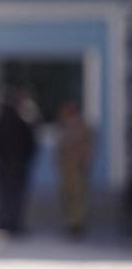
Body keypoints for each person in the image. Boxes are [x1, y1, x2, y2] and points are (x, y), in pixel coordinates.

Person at [0, 87, 38, 235]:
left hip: (3, 164)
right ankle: (14, 224)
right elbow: (32, 144)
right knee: (16, 196)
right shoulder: (23, 121)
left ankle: (5, 223)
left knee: (4, 194)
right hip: (18, 166)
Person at [56, 102, 94, 238]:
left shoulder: (81, 126)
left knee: (78, 198)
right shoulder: (65, 127)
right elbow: (61, 149)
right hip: (67, 168)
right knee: (68, 196)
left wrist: (83, 162)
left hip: (77, 168)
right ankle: (72, 223)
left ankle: (76, 225)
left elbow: (87, 147)